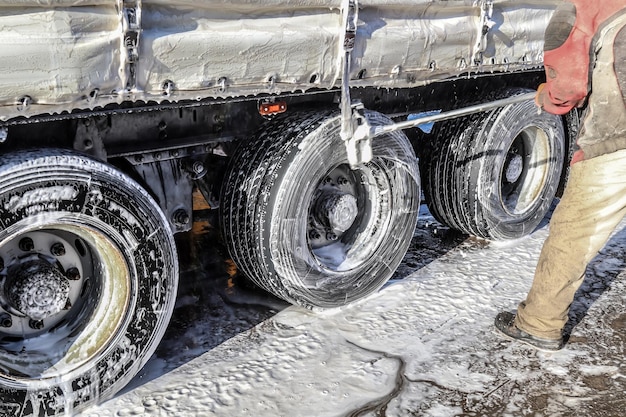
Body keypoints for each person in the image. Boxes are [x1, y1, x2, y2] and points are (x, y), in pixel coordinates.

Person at [494, 0, 626, 351]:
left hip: (616, 140)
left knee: (574, 231)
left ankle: (539, 324)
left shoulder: (584, 7)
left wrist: (548, 96)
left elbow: (566, 88)